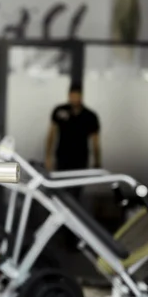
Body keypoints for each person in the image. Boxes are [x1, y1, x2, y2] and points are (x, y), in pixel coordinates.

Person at [45, 84, 100, 250]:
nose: (74, 98)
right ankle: (59, 232)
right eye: (72, 95)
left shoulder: (90, 116)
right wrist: (48, 156)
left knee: (75, 199)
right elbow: (51, 134)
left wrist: (97, 161)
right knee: (60, 197)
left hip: (80, 161)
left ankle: (71, 237)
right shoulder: (60, 111)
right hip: (63, 160)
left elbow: (95, 141)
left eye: (76, 95)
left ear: (81, 96)